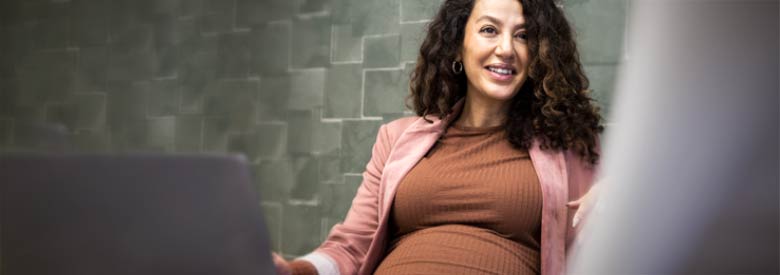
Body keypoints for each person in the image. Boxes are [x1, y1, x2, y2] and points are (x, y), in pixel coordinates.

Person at [274, 0, 603, 274]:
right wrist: (293, 271)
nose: (506, 49)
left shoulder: (570, 147)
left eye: (523, 35)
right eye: (489, 30)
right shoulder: (397, 139)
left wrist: (624, 198)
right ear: (458, 46)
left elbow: (609, 245)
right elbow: (352, 245)